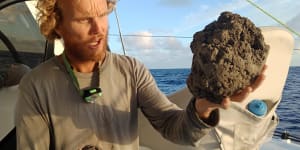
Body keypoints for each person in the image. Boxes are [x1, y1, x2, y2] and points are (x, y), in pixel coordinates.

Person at [14, 0, 265, 149]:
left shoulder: (132, 70)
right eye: (83, 19)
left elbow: (173, 127)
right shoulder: (35, 86)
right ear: (58, 24)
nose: (98, 28)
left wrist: (202, 109)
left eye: (102, 14)